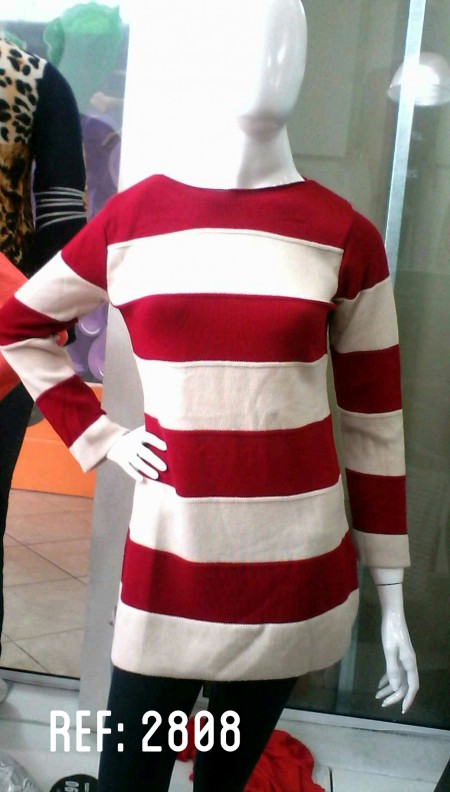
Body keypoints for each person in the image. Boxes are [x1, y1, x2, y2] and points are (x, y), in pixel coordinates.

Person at [0, 2, 418, 789]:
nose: (266, 61)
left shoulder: (344, 235)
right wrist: (103, 436)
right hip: (170, 567)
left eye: (285, 42)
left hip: (293, 572)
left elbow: (375, 424)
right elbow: (20, 325)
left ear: (306, 62)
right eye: (244, 41)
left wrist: (390, 590)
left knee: (225, 782)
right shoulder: (137, 218)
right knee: (129, 780)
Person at [0, 35, 86, 700]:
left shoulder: (38, 81)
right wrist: (44, 329)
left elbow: (63, 225)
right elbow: (62, 226)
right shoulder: (34, 80)